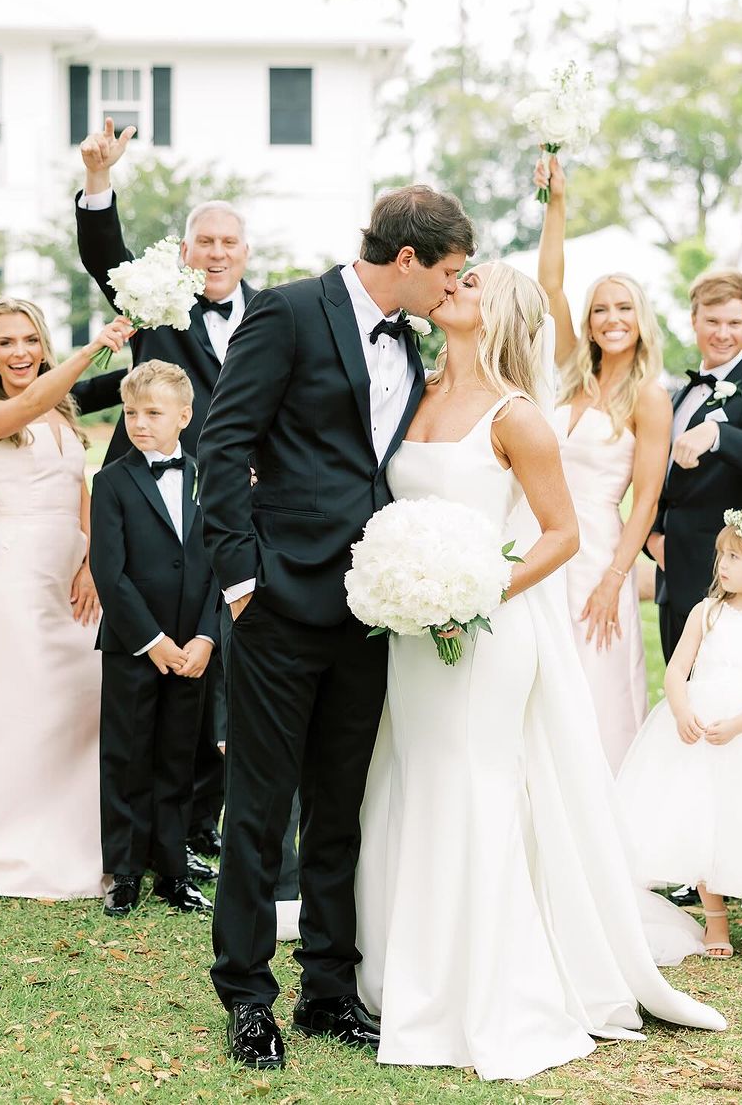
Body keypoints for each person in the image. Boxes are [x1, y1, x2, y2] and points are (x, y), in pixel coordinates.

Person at [356, 262, 725, 1081]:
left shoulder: (517, 415)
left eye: (470, 283)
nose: (452, 286)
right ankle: (401, 967)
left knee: (474, 785)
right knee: (409, 777)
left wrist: (472, 594)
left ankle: (485, 982)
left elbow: (561, 534)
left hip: (487, 628)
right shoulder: (409, 394)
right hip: (411, 629)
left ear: (498, 313)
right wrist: (402, 587)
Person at [198, 184, 475, 1070]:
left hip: (370, 608)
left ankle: (327, 989)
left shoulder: (415, 344)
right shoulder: (286, 313)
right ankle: (247, 996)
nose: (452, 288)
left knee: (339, 809)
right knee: (259, 811)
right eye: (449, 272)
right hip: (278, 604)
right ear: (408, 259)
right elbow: (222, 444)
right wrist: (243, 582)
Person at [75, 118, 258, 868]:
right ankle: (135, 845)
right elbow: (104, 257)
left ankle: (198, 827)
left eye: (227, 242)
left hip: (231, 516)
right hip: (147, 514)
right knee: (145, 674)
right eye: (203, 241)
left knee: (217, 670)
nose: (215, 252)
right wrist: (98, 179)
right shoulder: (159, 302)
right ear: (186, 251)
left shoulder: (274, 314)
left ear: (244, 252)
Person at [0, 299, 132, 899]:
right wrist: (93, 349)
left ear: (42, 346)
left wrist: (92, 563)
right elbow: (30, 404)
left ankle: (73, 831)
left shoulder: (63, 414)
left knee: (75, 701)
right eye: (6, 343)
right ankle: (1, 833)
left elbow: (82, 489)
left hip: (69, 573)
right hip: (14, 571)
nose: (19, 352)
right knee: (16, 700)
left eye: (29, 340)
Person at [617, 512, 742, 961]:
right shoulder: (708, 612)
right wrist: (681, 709)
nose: (722, 565)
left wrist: (738, 725)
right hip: (700, 731)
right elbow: (677, 670)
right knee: (703, 818)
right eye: (721, 555)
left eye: (734, 557)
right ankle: (714, 917)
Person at [534, 154, 670, 771]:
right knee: (544, 677)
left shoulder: (649, 397)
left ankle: (608, 797)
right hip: (542, 542)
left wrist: (617, 577)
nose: (612, 319)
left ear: (641, 320)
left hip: (598, 554)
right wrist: (557, 203)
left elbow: (646, 499)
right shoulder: (570, 372)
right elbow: (551, 287)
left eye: (624, 308)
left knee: (597, 680)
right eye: (601, 309)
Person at [91, 360, 221, 918]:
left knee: (177, 758)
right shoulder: (111, 482)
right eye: (131, 413)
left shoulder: (209, 476)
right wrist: (152, 639)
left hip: (193, 649)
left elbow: (221, 563)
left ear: (184, 416)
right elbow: (109, 572)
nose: (139, 423)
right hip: (134, 645)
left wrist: (207, 638)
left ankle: (172, 870)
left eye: (153, 413)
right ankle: (123, 870)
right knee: (126, 756)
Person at [647, 269, 742, 661]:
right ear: (694, 320)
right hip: (672, 572)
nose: (723, 333)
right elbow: (662, 473)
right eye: (712, 321)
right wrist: (653, 536)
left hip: (724, 577)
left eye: (734, 323)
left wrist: (718, 433)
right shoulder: (681, 394)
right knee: (677, 686)